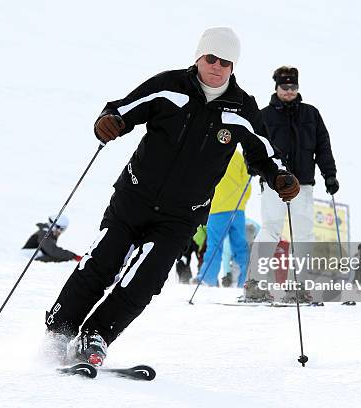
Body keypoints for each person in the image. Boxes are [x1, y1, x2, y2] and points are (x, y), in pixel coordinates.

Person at [44, 27, 300, 367]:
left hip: (181, 216)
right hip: (133, 199)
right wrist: (108, 123)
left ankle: (97, 335)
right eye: (211, 58)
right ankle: (60, 332)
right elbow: (122, 110)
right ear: (199, 57)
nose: (217, 66)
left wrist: (280, 176)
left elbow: (264, 154)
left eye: (226, 62)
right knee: (101, 264)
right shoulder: (169, 86)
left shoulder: (241, 108)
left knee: (145, 280)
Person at [244, 65, 338, 300]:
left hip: (303, 182)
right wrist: (253, 167)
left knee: (304, 233)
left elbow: (323, 146)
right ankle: (255, 283)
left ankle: (300, 285)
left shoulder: (311, 114)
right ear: (276, 87)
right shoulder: (264, 115)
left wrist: (330, 174)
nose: (289, 91)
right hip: (274, 181)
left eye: (293, 86)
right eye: (284, 87)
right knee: (270, 229)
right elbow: (253, 146)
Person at [196, 150, 251, 287]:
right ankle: (246, 280)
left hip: (218, 208)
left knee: (214, 246)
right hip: (237, 209)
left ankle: (207, 279)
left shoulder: (209, 152)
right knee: (241, 247)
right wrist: (241, 203)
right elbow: (247, 183)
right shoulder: (238, 155)